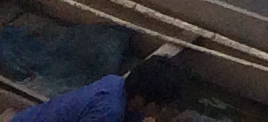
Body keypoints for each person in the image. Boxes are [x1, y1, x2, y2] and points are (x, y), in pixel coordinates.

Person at [14, 53, 184, 122]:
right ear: (141, 99)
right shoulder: (108, 111)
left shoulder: (116, 83)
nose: (161, 111)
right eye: (160, 106)